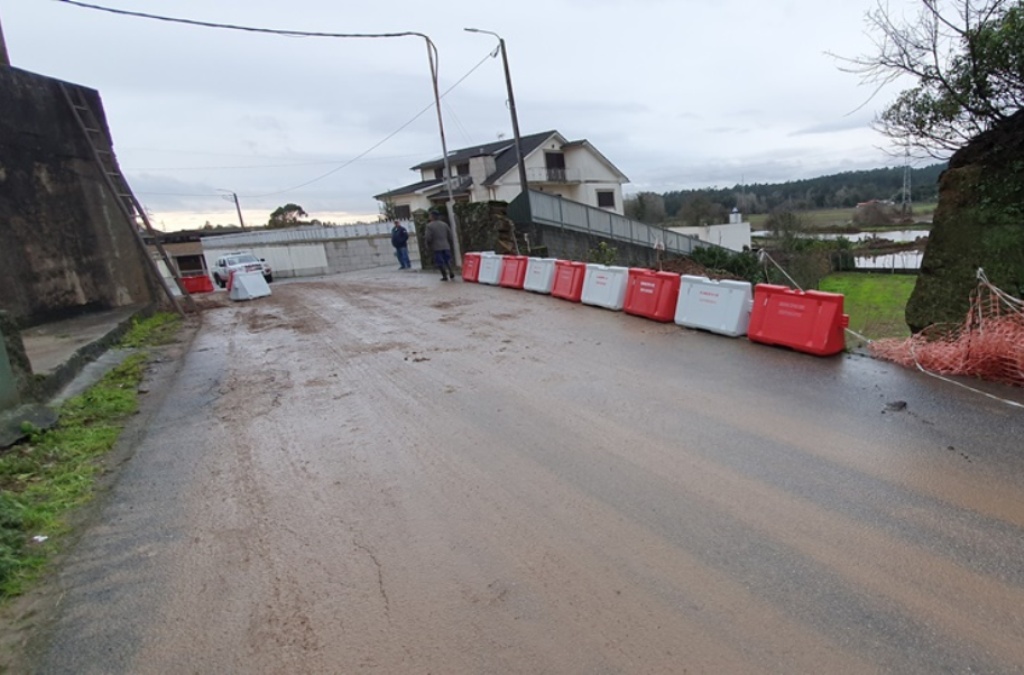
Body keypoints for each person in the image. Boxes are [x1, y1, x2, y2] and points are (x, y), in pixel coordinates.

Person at [424, 211, 456, 281]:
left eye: (430, 216)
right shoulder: (444, 224)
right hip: (446, 245)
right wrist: (449, 243)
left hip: (436, 247)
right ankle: (451, 271)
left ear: (432, 217)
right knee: (447, 259)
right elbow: (450, 235)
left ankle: (444, 275)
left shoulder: (429, 226)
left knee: (440, 261)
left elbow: (428, 237)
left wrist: (427, 245)